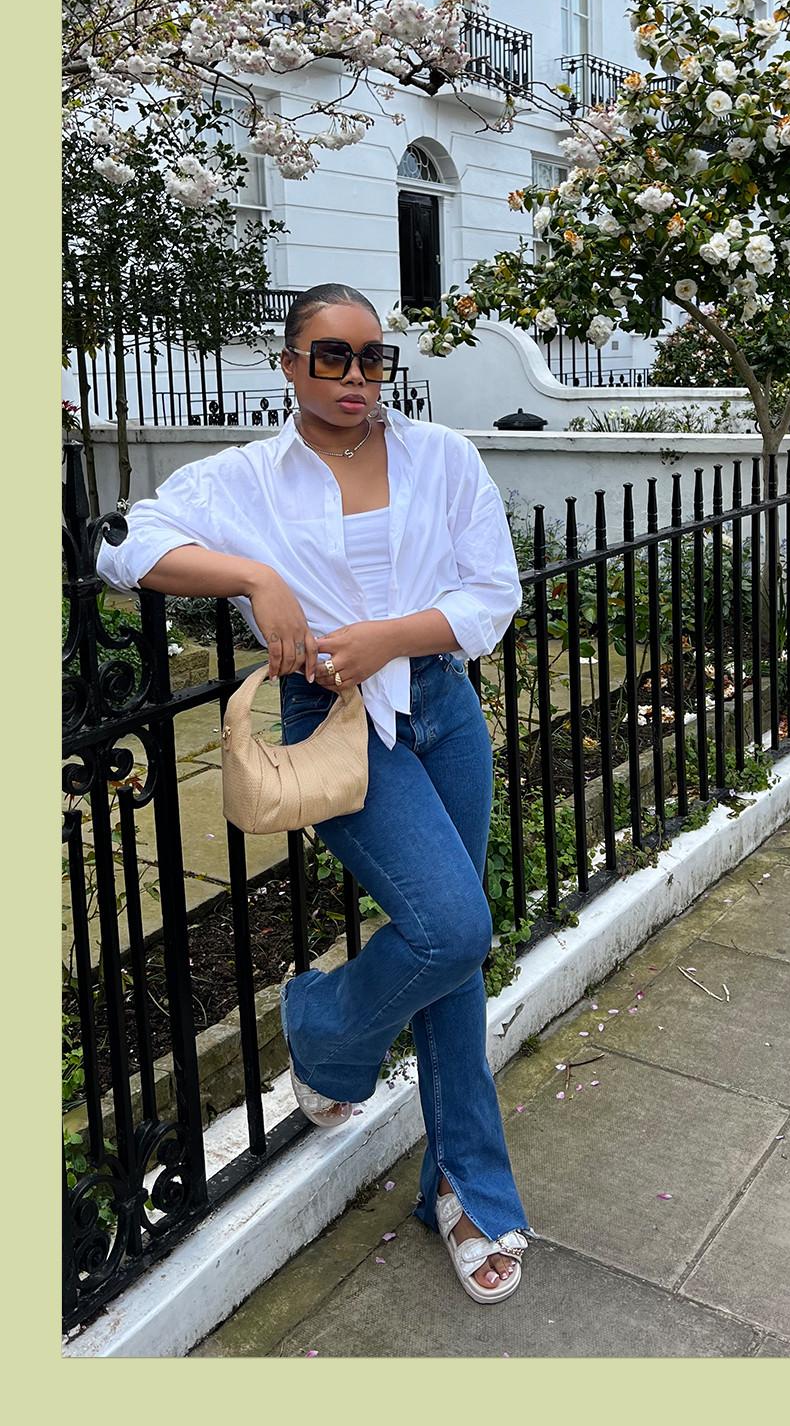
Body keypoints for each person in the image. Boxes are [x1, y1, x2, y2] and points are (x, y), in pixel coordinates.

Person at [96, 282, 534, 1304]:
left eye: (372, 357)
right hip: (336, 723)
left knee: (453, 954)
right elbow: (122, 546)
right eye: (331, 356)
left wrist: (389, 636)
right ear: (290, 363)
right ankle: (328, 1035)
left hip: (441, 708)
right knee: (452, 929)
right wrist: (254, 577)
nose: (355, 377)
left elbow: (490, 593)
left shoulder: (442, 456)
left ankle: (460, 1186)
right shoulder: (248, 477)